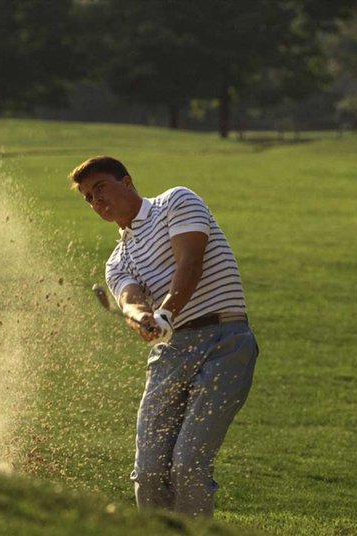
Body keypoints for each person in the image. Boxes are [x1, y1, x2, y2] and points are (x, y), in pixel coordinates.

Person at [69, 155, 259, 518]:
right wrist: (142, 319)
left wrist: (166, 312)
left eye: (100, 188)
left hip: (225, 342)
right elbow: (129, 299)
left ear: (126, 182)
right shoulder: (116, 260)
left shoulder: (175, 201)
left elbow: (190, 261)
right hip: (170, 353)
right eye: (89, 198)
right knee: (150, 472)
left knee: (188, 464)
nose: (96, 201)